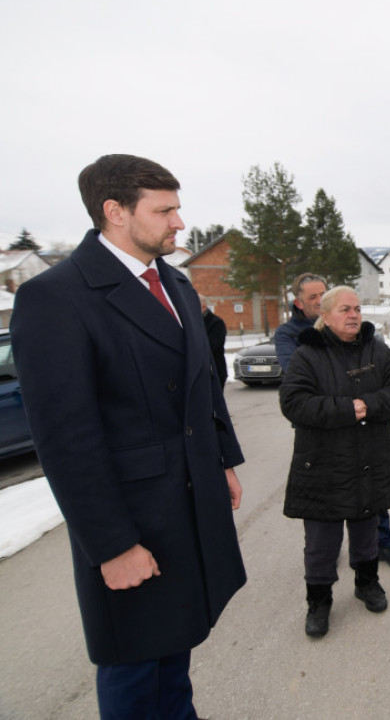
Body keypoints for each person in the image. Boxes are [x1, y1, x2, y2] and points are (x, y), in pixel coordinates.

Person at [10, 154, 246, 719]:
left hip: (187, 499)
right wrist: (112, 545)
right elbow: (66, 439)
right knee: (134, 662)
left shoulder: (175, 284)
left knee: (177, 645)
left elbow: (203, 383)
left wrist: (223, 459)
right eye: (164, 210)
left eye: (177, 208)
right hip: (133, 515)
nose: (179, 223)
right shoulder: (55, 298)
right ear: (114, 212)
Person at [279, 286, 390, 638]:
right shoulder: (308, 354)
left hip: (369, 458)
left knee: (366, 530)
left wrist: (368, 405)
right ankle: (318, 602)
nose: (353, 315)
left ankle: (367, 583)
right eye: (344, 309)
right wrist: (346, 409)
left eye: (357, 308)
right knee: (321, 542)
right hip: (322, 463)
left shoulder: (376, 350)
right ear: (325, 314)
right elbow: (293, 402)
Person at [201, 294, 228, 389]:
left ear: (203, 307)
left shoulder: (216, 323)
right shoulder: (192, 323)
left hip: (215, 372)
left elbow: (210, 346)